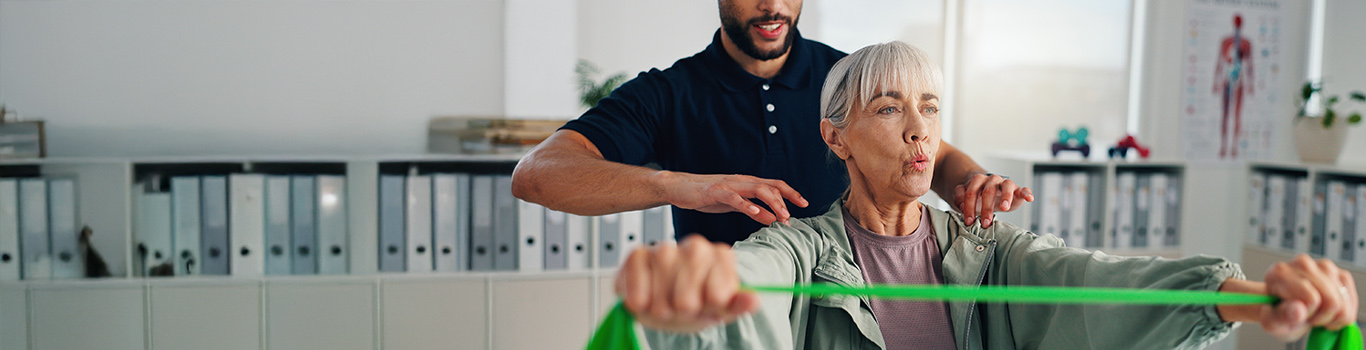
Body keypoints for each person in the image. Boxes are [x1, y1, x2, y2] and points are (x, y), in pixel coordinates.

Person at [614, 42, 1359, 350]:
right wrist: (701, 292)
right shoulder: (804, 250)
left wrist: (1242, 294)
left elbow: (1096, 281)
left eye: (930, 108)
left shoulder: (989, 250)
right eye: (888, 108)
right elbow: (753, 285)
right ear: (834, 138)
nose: (918, 132)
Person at [511, 0, 1031, 244]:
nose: (772, 4)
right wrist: (681, 186)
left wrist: (969, 181)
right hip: (729, 323)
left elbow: (929, 154)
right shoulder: (668, 92)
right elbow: (537, 174)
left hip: (846, 317)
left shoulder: (848, 76)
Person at [1212, 13, 1255, 159]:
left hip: (1239, 81)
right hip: (1227, 79)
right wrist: (1215, 82)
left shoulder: (1246, 43)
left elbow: (1249, 65)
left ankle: (1234, 147)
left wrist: (1250, 84)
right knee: (1225, 115)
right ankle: (1223, 146)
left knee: (1237, 115)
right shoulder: (1226, 41)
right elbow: (1219, 62)